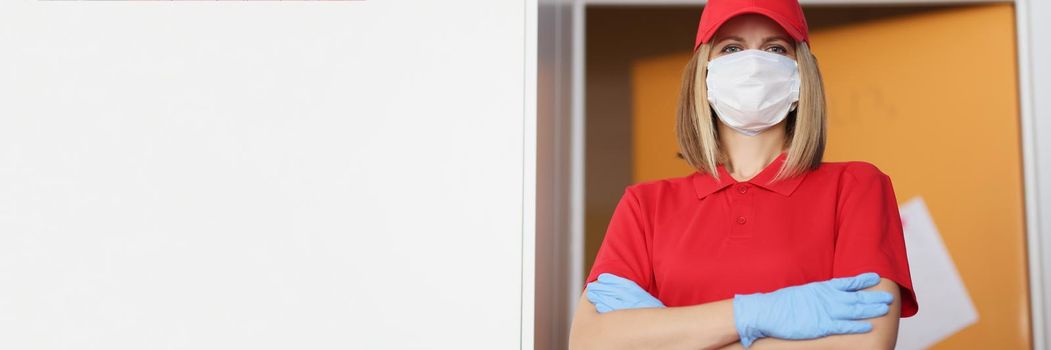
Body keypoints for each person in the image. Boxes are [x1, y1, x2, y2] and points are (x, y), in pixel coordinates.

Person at [567, 0, 919, 349]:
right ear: (703, 76)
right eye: (732, 48)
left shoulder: (856, 188)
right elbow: (589, 340)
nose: (753, 64)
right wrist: (754, 313)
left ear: (801, 75)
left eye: (776, 48)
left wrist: (669, 335)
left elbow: (865, 343)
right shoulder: (645, 207)